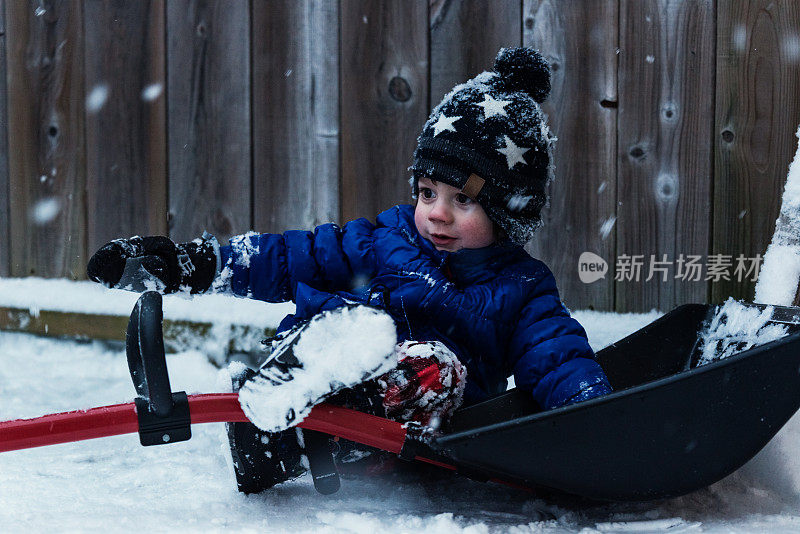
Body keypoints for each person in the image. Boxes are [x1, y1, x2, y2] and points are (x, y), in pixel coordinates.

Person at [87, 47, 612, 493]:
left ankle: (305, 432)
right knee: (350, 323)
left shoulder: (523, 288)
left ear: (507, 216)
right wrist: (195, 264)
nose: (437, 213)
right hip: (335, 372)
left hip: (414, 435)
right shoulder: (384, 239)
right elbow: (293, 256)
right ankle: (300, 389)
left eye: (463, 201)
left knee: (438, 364)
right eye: (427, 192)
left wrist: (598, 414)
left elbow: (557, 356)